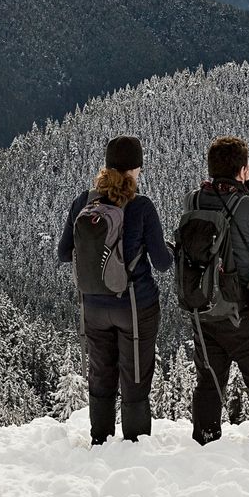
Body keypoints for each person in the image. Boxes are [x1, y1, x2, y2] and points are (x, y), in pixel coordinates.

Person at [57, 135, 172, 444]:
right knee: (134, 379)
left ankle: (101, 441)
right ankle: (134, 444)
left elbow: (64, 252)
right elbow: (162, 263)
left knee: (101, 375)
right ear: (135, 170)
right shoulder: (141, 206)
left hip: (93, 307)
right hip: (135, 307)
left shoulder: (84, 201)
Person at [180, 135, 249, 445]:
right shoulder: (247, 206)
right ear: (243, 169)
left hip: (204, 311)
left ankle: (205, 443)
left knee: (208, 383)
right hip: (244, 314)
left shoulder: (193, 200)